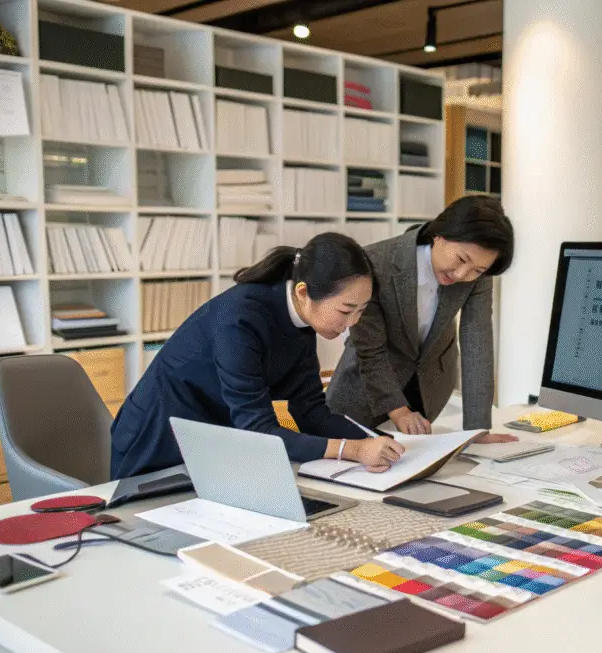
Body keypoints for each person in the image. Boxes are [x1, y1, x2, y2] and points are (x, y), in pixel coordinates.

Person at [110, 233, 405, 480]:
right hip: (158, 440)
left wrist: (380, 441)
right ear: (303, 292)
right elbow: (257, 429)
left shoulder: (301, 321)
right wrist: (351, 450)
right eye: (345, 310)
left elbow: (310, 412)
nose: (352, 322)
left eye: (361, 310)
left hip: (208, 440)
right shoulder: (241, 318)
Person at [326, 196, 518, 444]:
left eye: (478, 270)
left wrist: (477, 431)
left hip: (427, 393)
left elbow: (477, 346)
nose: (462, 274)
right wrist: (399, 411)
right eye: (461, 259)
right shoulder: (374, 263)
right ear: (440, 234)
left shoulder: (476, 277)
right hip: (363, 393)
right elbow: (371, 350)